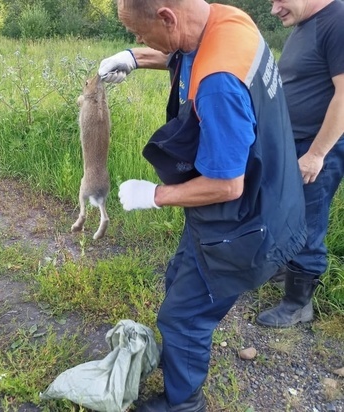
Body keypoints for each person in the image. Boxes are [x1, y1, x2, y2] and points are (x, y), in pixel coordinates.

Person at [98, 0, 307, 410]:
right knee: (179, 281)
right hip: (272, 195)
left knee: (183, 317)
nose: (138, 40)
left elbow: (227, 185)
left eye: (139, 35)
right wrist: (135, 59)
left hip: (243, 224)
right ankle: (179, 363)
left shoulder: (218, 84)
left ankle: (183, 404)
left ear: (167, 17)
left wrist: (153, 196)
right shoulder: (228, 19)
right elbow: (188, 51)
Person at [256, 0, 344, 328]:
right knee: (284, 211)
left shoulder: (338, 19)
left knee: (308, 219)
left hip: (319, 146)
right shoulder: (307, 24)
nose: (274, 9)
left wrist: (317, 154)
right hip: (295, 142)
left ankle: (298, 304)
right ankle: (282, 270)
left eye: (280, 0)